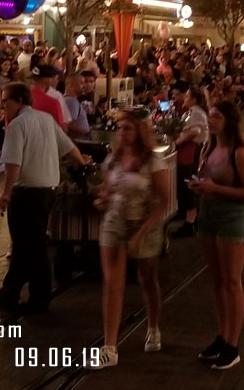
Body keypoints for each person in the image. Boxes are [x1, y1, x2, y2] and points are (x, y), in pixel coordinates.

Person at [0, 82, 90, 314]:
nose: (2, 105)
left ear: (18, 101)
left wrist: (5, 194)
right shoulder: (46, 119)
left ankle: (35, 296)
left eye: (5, 100)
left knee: (30, 246)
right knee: (30, 245)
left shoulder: (17, 125)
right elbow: (69, 147)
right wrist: (82, 161)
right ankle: (13, 293)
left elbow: (13, 164)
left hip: (26, 193)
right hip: (47, 192)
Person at [90, 110, 170, 369]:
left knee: (146, 278)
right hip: (115, 222)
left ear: (139, 132)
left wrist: (141, 233)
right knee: (112, 283)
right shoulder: (113, 159)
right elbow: (109, 188)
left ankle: (153, 325)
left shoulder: (153, 163)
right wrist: (103, 199)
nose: (121, 133)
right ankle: (109, 347)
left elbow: (162, 202)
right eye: (120, 128)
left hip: (144, 222)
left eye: (127, 129)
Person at [188, 101, 244, 370]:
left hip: (233, 220)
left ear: (229, 120)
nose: (209, 120)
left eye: (215, 117)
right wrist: (199, 185)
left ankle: (233, 344)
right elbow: (207, 180)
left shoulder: (240, 153)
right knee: (217, 281)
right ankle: (222, 335)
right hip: (209, 218)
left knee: (231, 281)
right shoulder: (209, 147)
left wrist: (214, 188)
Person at [173, 85, 209, 238]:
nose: (184, 99)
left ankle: (190, 222)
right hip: (189, 152)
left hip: (190, 153)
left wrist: (178, 142)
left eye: (187, 97)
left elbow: (195, 132)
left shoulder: (196, 113)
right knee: (185, 184)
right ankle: (186, 214)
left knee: (189, 185)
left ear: (194, 99)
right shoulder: (193, 112)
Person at [29, 65, 65, 129]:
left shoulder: (19, 98)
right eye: (56, 77)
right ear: (48, 80)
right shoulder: (53, 103)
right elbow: (59, 129)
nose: (57, 80)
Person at [62, 73, 91, 140]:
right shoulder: (71, 101)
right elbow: (69, 124)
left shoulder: (71, 100)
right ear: (70, 85)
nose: (84, 86)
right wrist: (86, 132)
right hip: (77, 142)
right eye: (81, 83)